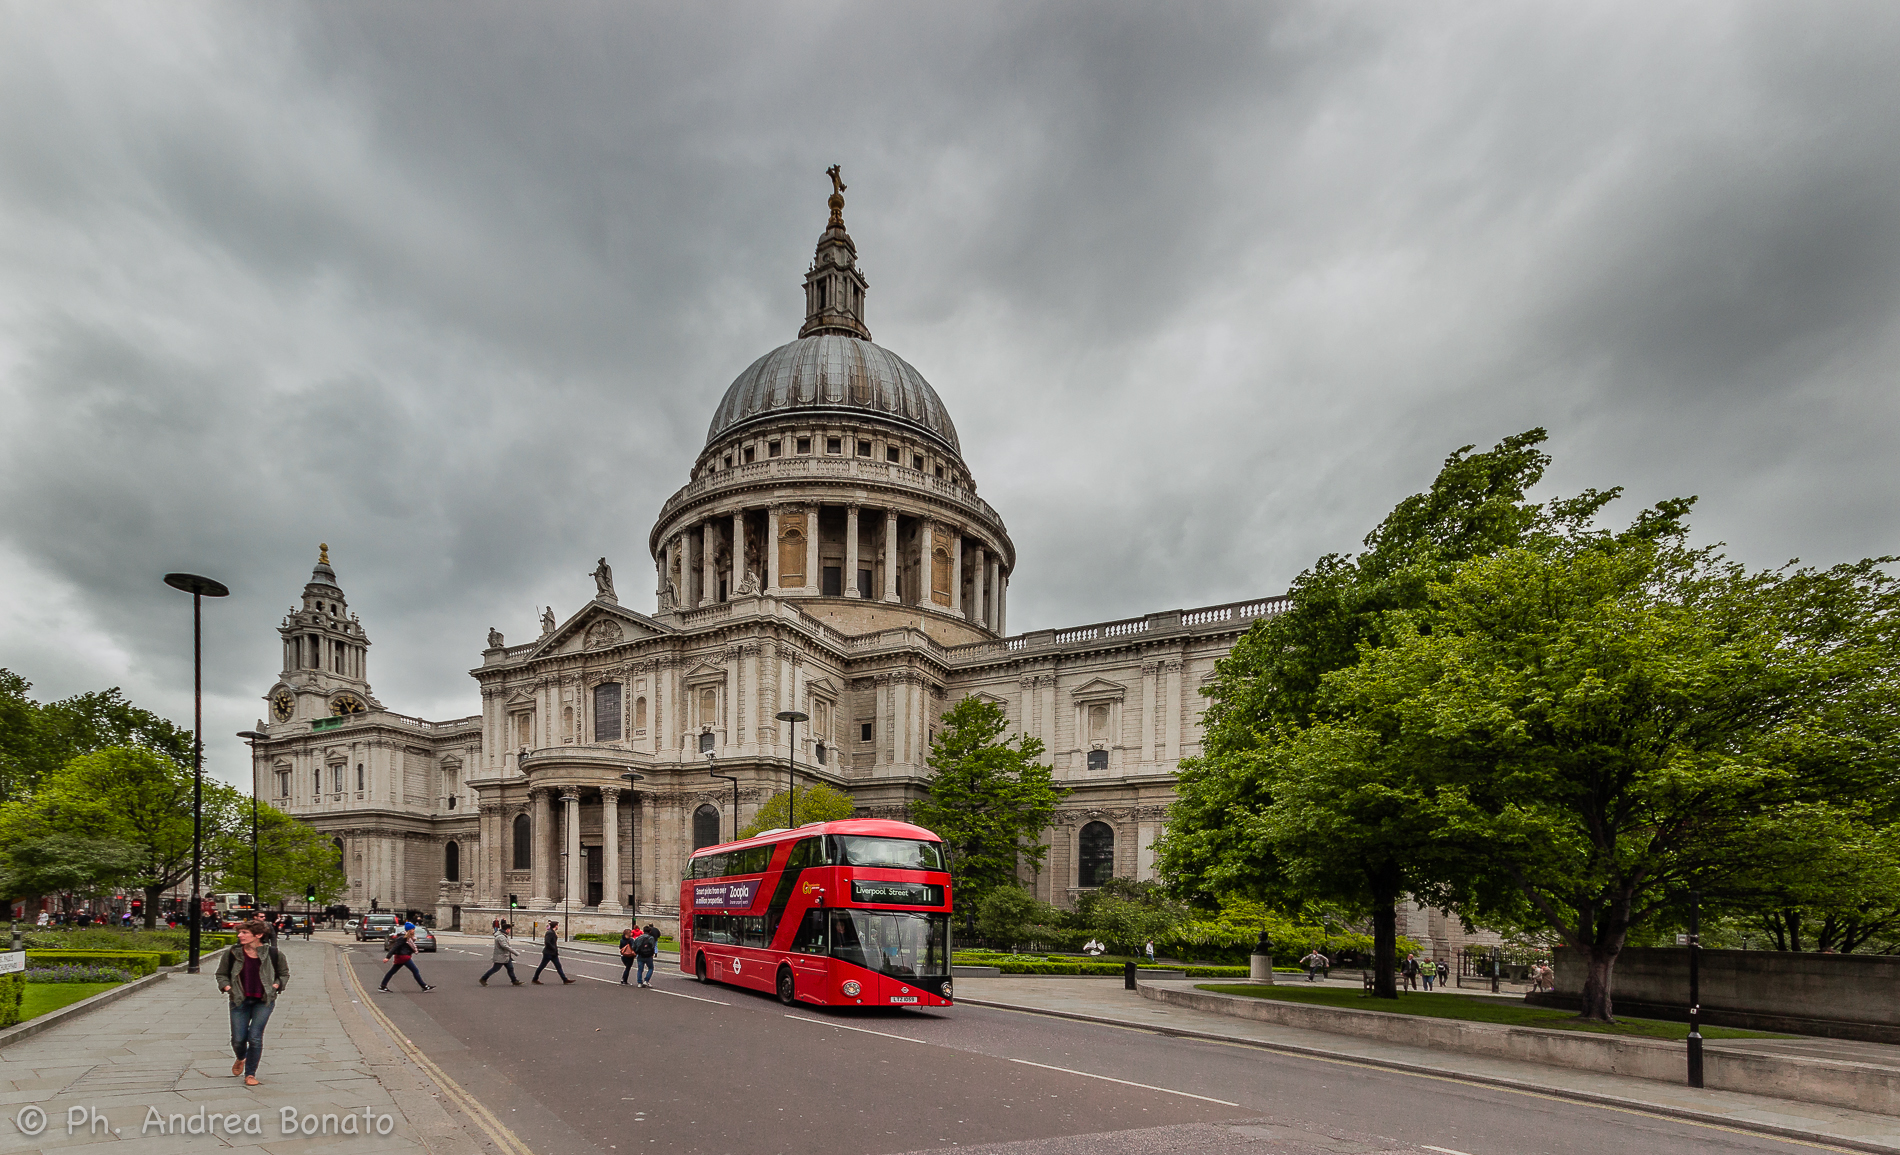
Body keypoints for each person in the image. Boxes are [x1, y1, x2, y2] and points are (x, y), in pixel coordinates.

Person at [215, 919, 289, 1087]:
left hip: (263, 1001)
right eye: (240, 933)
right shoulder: (233, 953)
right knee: (238, 1039)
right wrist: (227, 987)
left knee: (255, 1037)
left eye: (244, 933)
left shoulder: (274, 954)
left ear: (258, 935)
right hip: (239, 1000)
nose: (240, 936)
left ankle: (250, 1074)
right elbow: (221, 974)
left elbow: (284, 974)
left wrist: (276, 985)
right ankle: (241, 1057)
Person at [378, 924, 434, 993]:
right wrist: (387, 957)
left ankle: (382, 986)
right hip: (403, 957)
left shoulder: (408, 938)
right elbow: (394, 947)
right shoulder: (403, 938)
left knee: (392, 972)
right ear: (409, 930)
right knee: (415, 970)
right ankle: (424, 986)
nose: (414, 931)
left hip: (402, 957)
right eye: (413, 929)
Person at [481, 921, 523, 986]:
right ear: (507, 929)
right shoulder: (501, 937)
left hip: (505, 956)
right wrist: (515, 952)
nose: (509, 931)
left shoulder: (503, 935)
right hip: (501, 956)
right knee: (495, 969)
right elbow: (504, 946)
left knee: (510, 968)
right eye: (509, 929)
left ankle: (514, 981)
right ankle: (483, 979)